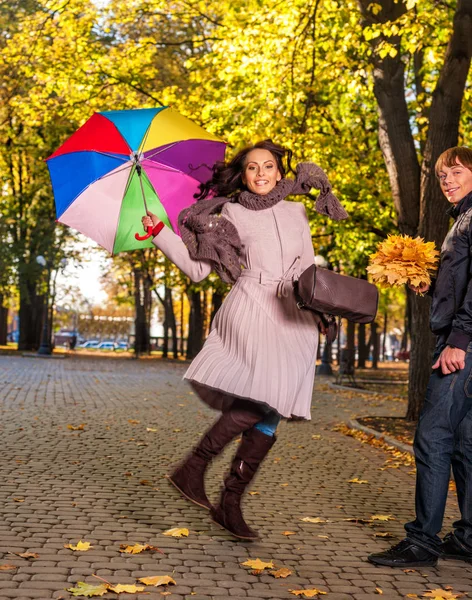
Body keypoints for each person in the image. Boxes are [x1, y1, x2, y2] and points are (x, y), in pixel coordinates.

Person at [142, 140, 348, 540]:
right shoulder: (229, 212)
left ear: (278, 170)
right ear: (243, 173)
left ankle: (228, 503)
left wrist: (321, 310)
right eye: (252, 168)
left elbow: (307, 268)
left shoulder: (297, 209)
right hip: (253, 304)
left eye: (268, 166)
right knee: (265, 398)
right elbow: (200, 270)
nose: (260, 174)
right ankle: (196, 468)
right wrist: (159, 233)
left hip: (295, 313)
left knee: (273, 410)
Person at [368, 146, 472, 568]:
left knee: (432, 438)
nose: (448, 180)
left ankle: (422, 543)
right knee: (465, 443)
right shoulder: (461, 220)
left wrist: (458, 341)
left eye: (457, 171)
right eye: (442, 175)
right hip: (463, 340)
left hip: (463, 345)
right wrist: (429, 284)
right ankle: (467, 539)